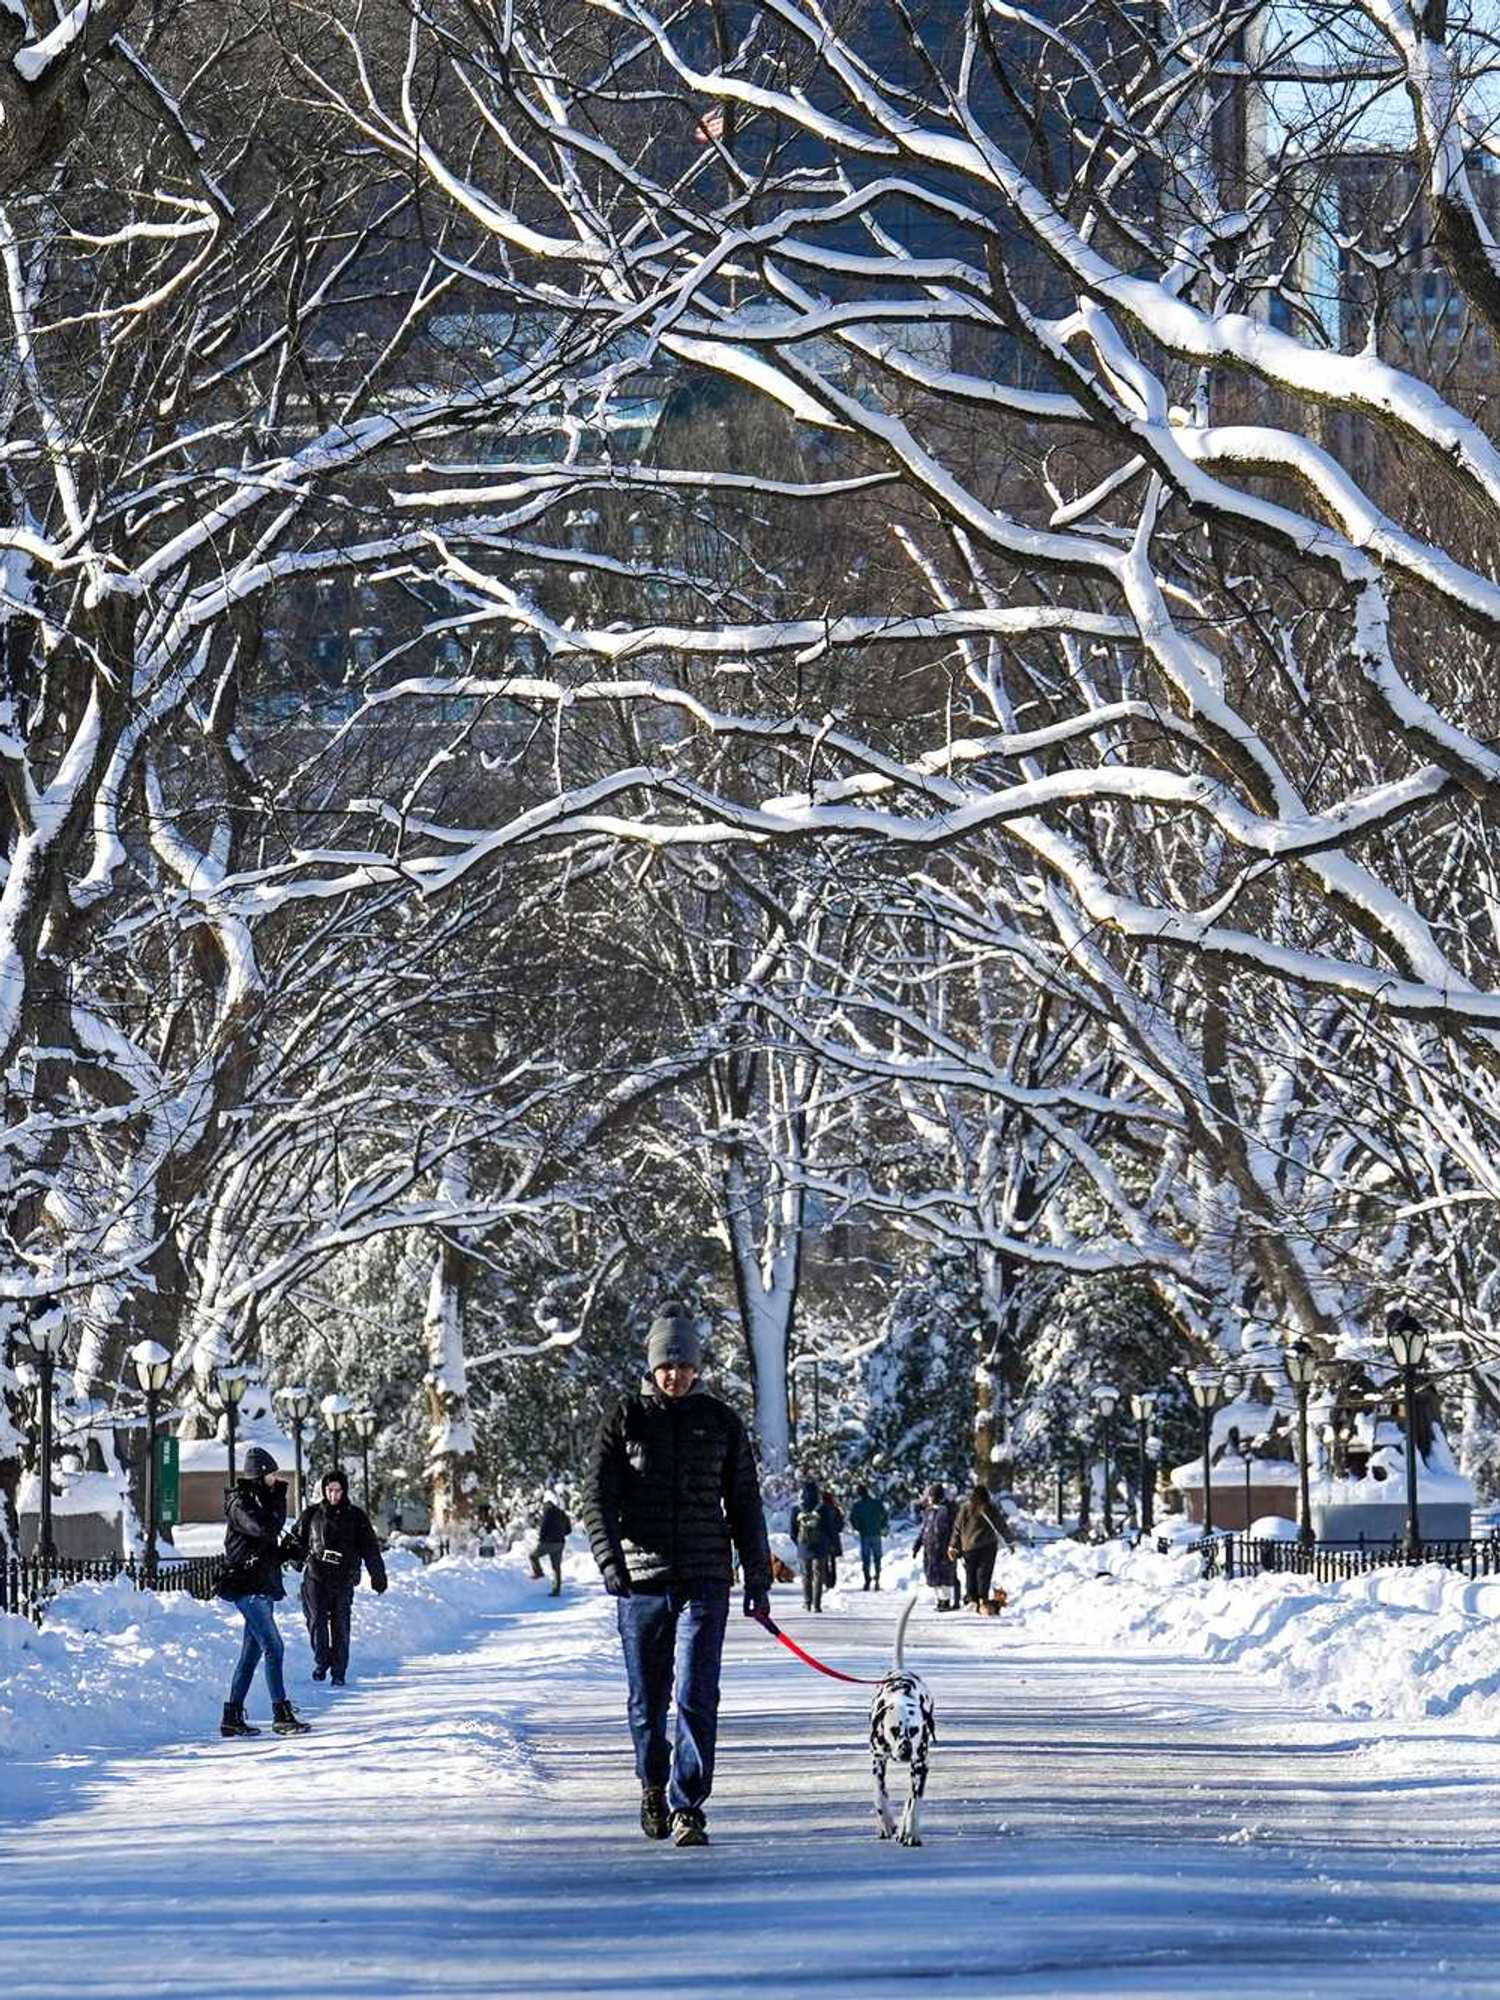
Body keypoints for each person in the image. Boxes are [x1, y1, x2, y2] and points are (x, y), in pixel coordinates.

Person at [584, 1307, 772, 1848]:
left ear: (696, 1367)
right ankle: (652, 1781)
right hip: (641, 1582)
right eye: (666, 1364)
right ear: (652, 1366)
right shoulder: (625, 1420)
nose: (675, 1374)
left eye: (684, 1365)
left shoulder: (719, 1422)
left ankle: (688, 1804)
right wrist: (609, 1559)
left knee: (695, 1693)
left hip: (705, 1577)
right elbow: (598, 1497)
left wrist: (756, 1574)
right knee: (648, 1698)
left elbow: (743, 1502)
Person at [217, 1445, 311, 1737]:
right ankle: (280, 1713)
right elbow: (261, 1529)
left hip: (262, 1586)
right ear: (259, 1473)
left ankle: (232, 1716)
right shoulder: (240, 1503)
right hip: (247, 1587)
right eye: (271, 1474)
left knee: (251, 1654)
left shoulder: (260, 1500)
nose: (276, 1479)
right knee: (275, 1647)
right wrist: (278, 1501)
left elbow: (267, 1547)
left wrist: (287, 1552)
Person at [284, 1466, 388, 1684]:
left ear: (344, 1491)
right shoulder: (311, 1515)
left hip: (343, 1578)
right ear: (324, 1491)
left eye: (338, 1490)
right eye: (330, 1490)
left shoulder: (356, 1517)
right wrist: (296, 1558)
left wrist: (377, 1576)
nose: (334, 1495)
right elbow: (296, 1541)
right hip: (316, 1576)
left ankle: (338, 1671)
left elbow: (370, 1548)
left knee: (340, 1624)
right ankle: (321, 1661)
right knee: (316, 1621)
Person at [948, 1481, 1015, 1610]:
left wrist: (953, 1546)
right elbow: (1001, 1525)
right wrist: (1010, 1541)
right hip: (988, 1547)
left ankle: (972, 1599)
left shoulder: (965, 1508)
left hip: (969, 1547)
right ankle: (982, 1599)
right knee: (984, 1574)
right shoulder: (990, 1507)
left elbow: (957, 1528)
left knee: (970, 1574)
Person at [913, 1482, 959, 1611]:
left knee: (945, 1576)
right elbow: (924, 1530)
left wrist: (954, 1546)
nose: (929, 1498)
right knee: (933, 1576)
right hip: (930, 1549)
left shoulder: (948, 1510)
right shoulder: (929, 1511)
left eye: (931, 1496)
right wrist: (917, 1545)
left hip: (944, 1548)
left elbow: (955, 1530)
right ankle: (939, 1600)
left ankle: (946, 1601)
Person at [791, 1477, 828, 1613]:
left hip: (804, 1546)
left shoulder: (797, 1509)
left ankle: (807, 1602)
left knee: (806, 1575)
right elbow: (828, 1527)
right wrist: (829, 1543)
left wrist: (799, 1543)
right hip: (820, 1546)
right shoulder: (822, 1508)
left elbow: (792, 1531)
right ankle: (817, 1605)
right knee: (818, 1575)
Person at [529, 1490, 572, 1595]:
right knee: (556, 1567)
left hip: (548, 1542)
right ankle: (556, 1590)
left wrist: (541, 1538)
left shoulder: (547, 1513)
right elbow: (569, 1530)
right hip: (560, 1543)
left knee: (532, 1556)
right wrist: (561, 1534)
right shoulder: (562, 1513)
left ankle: (538, 1572)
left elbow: (543, 1527)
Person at [849, 1484, 889, 1590]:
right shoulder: (876, 1503)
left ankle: (867, 1580)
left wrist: (858, 1528)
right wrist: (882, 1526)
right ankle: (877, 1579)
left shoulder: (857, 1505)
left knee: (866, 1559)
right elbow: (885, 1515)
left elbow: (852, 1519)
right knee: (877, 1558)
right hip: (876, 1533)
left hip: (865, 1534)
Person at [819, 1487, 845, 1592]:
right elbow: (840, 1524)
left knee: (823, 1561)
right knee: (832, 1561)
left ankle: (826, 1580)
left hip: (822, 1539)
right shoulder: (835, 1509)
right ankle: (832, 1581)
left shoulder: (819, 1509)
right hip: (834, 1538)